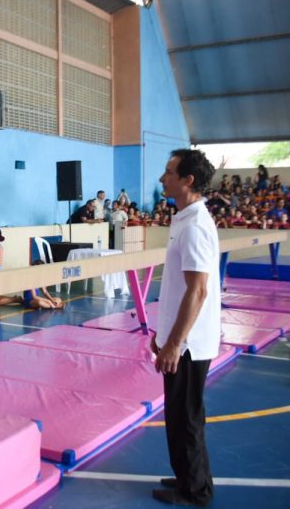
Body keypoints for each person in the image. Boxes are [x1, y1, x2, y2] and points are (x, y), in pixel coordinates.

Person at [151, 149, 218, 507]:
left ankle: (195, 491)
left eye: (169, 172)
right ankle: (187, 476)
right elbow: (178, 287)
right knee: (178, 416)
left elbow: (198, 290)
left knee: (187, 418)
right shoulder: (184, 219)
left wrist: (175, 343)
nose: (163, 178)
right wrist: (162, 334)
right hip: (181, 339)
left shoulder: (194, 226)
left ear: (188, 180)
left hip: (189, 345)